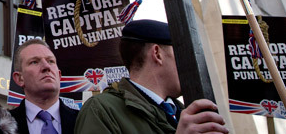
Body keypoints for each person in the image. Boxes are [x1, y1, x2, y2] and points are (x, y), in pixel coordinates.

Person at [74, 19, 229, 134]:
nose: (188, 64)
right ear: (157, 53)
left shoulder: (183, 112)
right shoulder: (103, 110)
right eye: (181, 54)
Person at [9, 39, 78, 133]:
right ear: (20, 78)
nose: (47, 67)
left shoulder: (83, 121)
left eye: (51, 61)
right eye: (34, 62)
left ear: (59, 75)